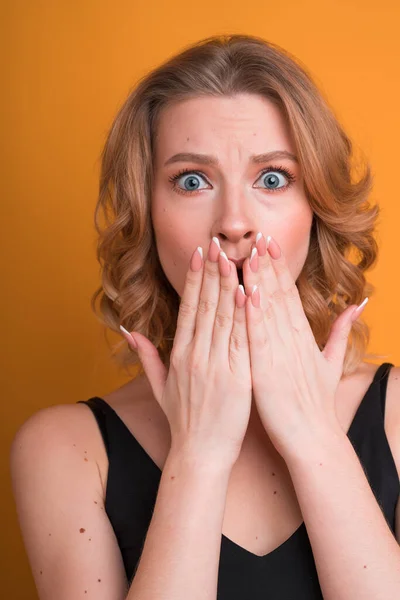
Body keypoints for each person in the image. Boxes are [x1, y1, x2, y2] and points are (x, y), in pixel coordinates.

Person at [10, 34, 400, 600]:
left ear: (316, 211)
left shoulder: (396, 419)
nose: (235, 222)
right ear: (146, 215)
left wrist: (314, 436)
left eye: (272, 178)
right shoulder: (64, 450)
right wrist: (198, 455)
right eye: (192, 180)